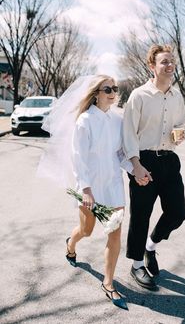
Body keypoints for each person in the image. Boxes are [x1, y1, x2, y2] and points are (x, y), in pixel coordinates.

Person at [38, 75, 132, 310]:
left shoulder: (117, 120)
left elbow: (120, 153)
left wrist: (134, 171)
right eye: (106, 88)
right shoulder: (85, 120)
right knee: (86, 231)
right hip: (90, 186)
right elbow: (77, 158)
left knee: (115, 234)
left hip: (113, 185)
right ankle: (71, 243)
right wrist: (86, 190)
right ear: (96, 93)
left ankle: (108, 283)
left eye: (114, 88)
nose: (112, 92)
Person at [123, 44, 185, 291]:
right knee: (141, 215)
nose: (170, 65)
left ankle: (151, 245)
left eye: (172, 61)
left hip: (170, 161)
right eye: (164, 61)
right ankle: (137, 264)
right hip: (144, 161)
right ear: (152, 66)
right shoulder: (139, 96)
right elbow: (128, 132)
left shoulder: (177, 95)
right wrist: (135, 165)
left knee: (178, 212)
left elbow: (182, 123)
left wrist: (179, 134)